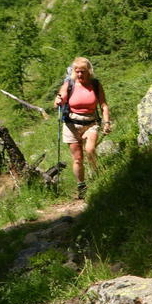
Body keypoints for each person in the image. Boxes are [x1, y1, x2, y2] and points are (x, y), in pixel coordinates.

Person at [53, 57, 111, 199]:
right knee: (78, 159)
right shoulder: (69, 84)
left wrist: (107, 122)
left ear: (89, 71)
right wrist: (58, 100)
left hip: (91, 123)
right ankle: (82, 185)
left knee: (90, 149)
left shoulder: (95, 85)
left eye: (83, 71)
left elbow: (103, 105)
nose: (80, 74)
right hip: (71, 125)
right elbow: (58, 102)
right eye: (77, 71)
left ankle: (96, 172)